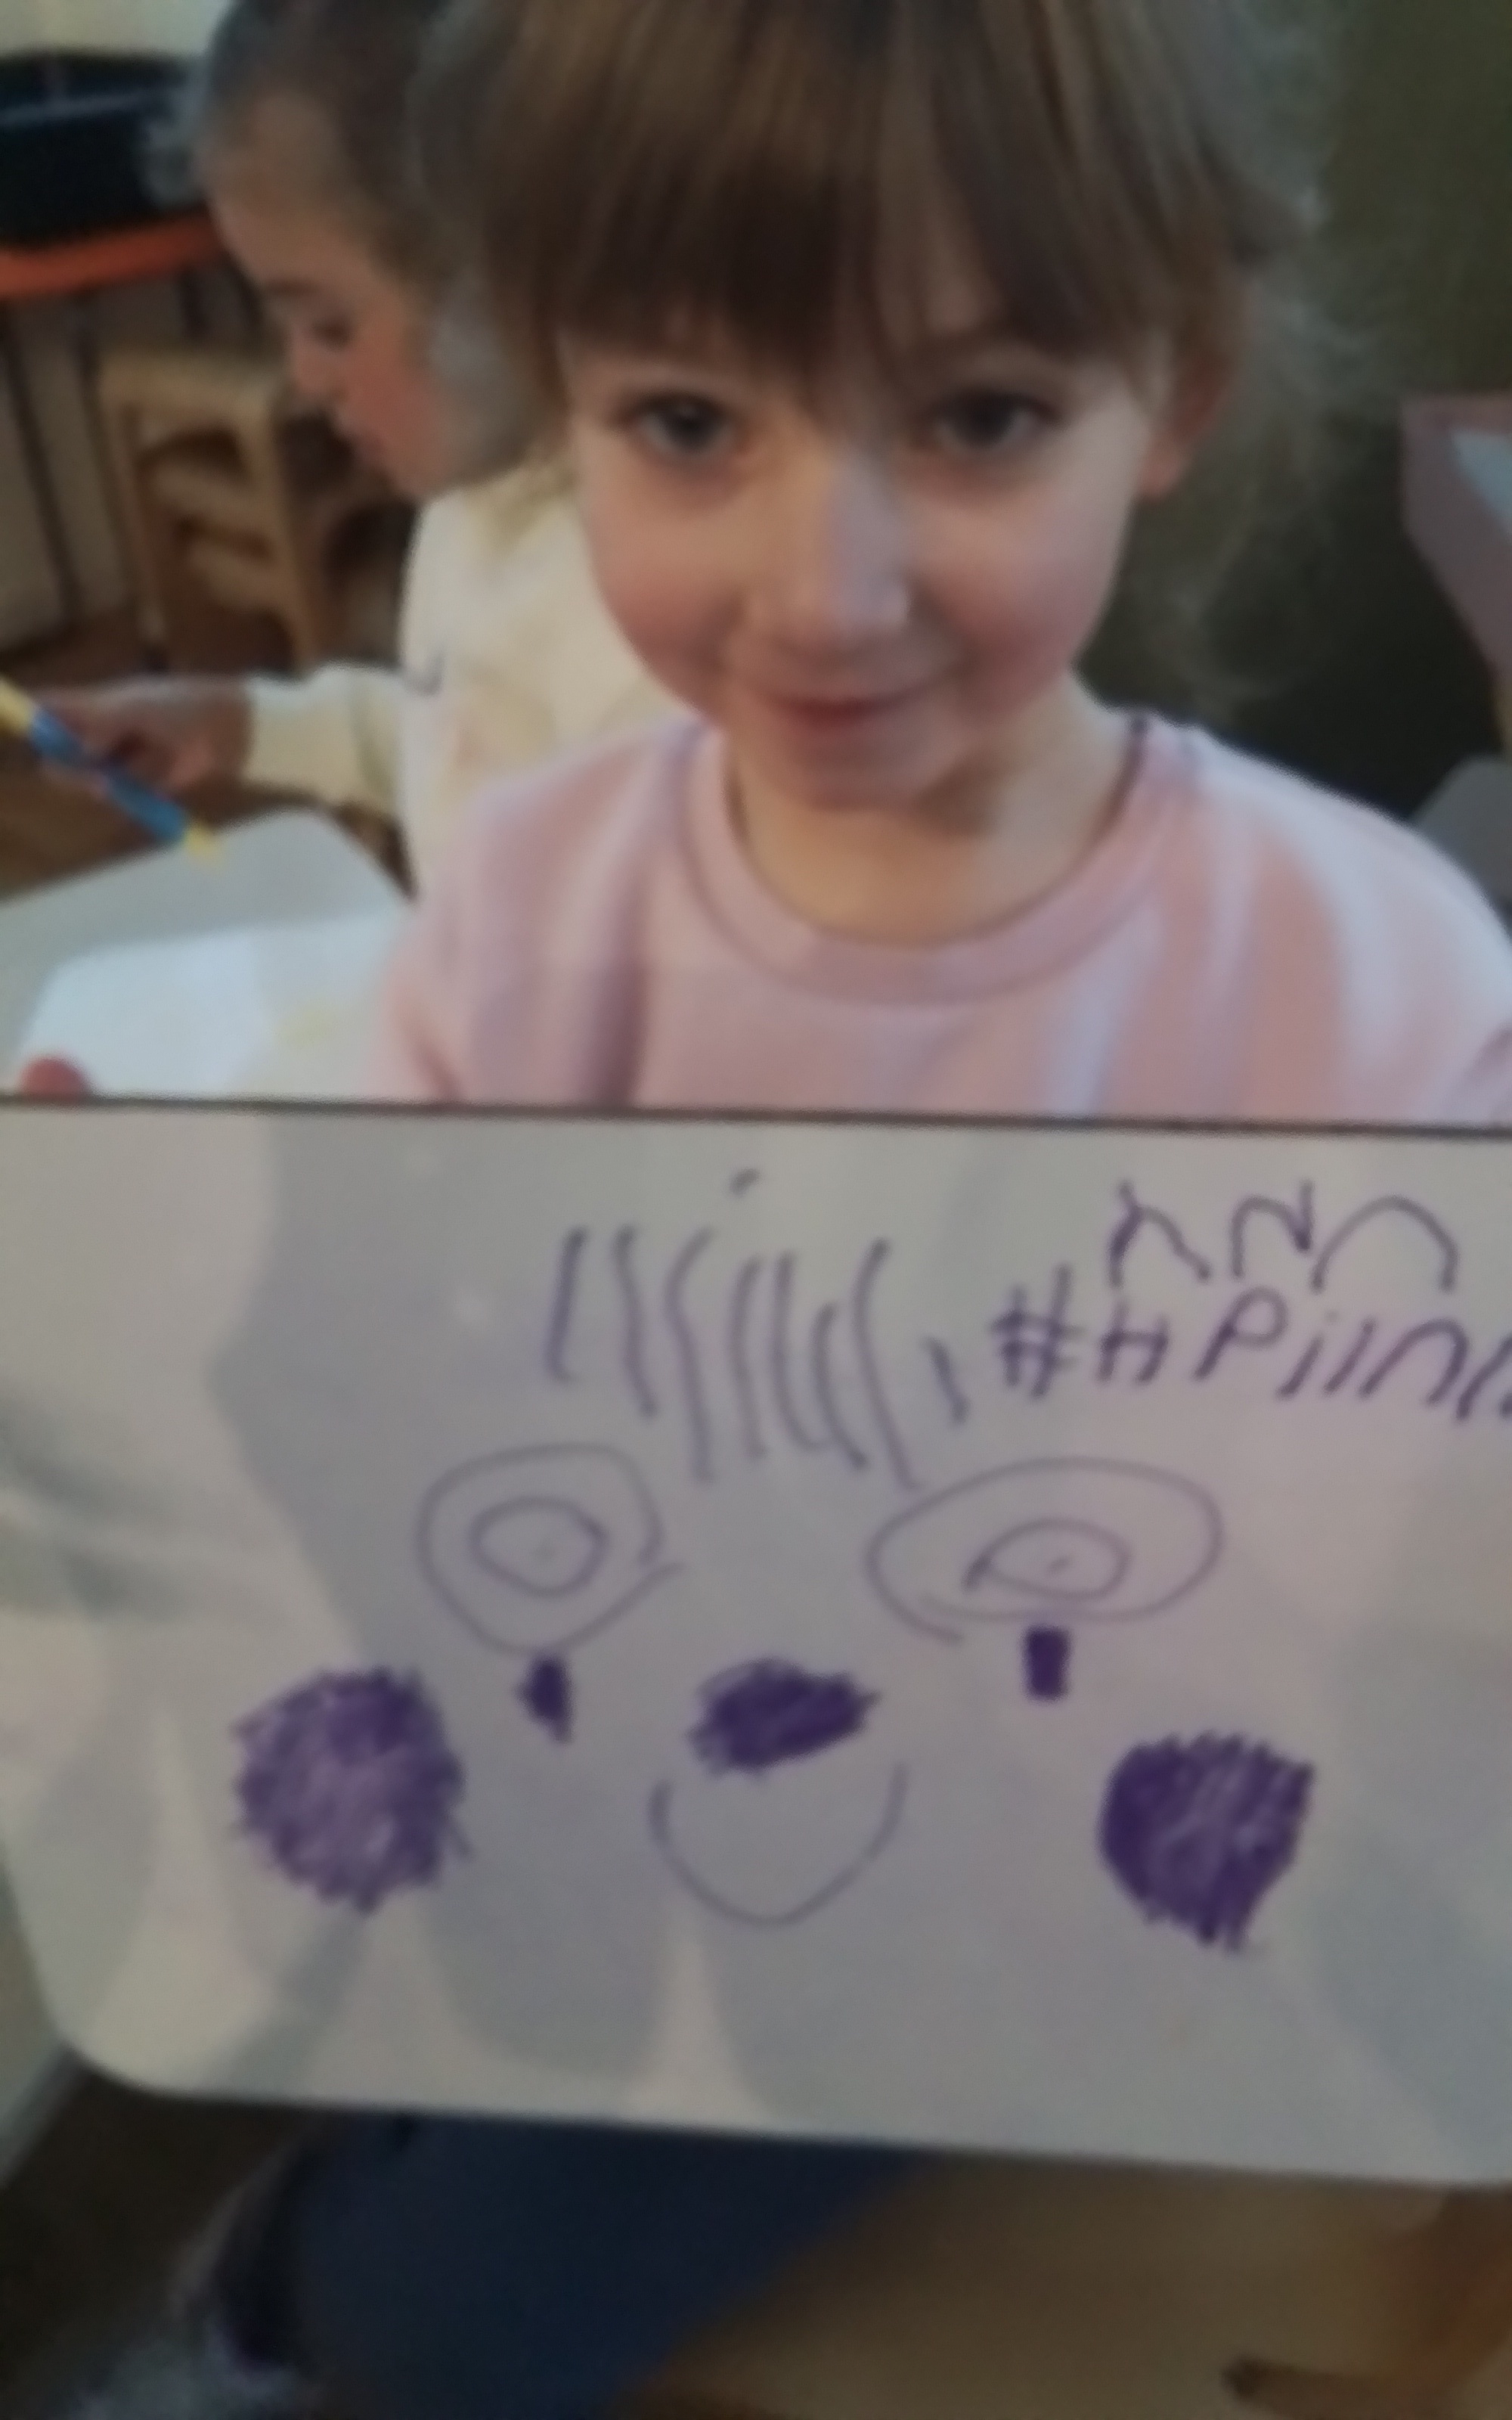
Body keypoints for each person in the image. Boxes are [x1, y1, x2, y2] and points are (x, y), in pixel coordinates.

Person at [54, 2, 1512, 2417]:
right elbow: (382, 1373)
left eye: (978, 416)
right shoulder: (531, 901)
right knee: (355, 1977)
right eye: (688, 422)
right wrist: (166, 1282)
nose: (824, 591)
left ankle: (295, 2290)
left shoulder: (1372, 983)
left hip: (1012, 1901)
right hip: (574, 1774)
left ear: (1174, 389)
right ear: (560, 401)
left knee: (435, 2315)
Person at [42, 0, 667, 894]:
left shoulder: (644, 627)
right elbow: (447, 743)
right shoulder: (470, 509)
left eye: (330, 325)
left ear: (517, 270)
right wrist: (235, 724)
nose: (303, 375)